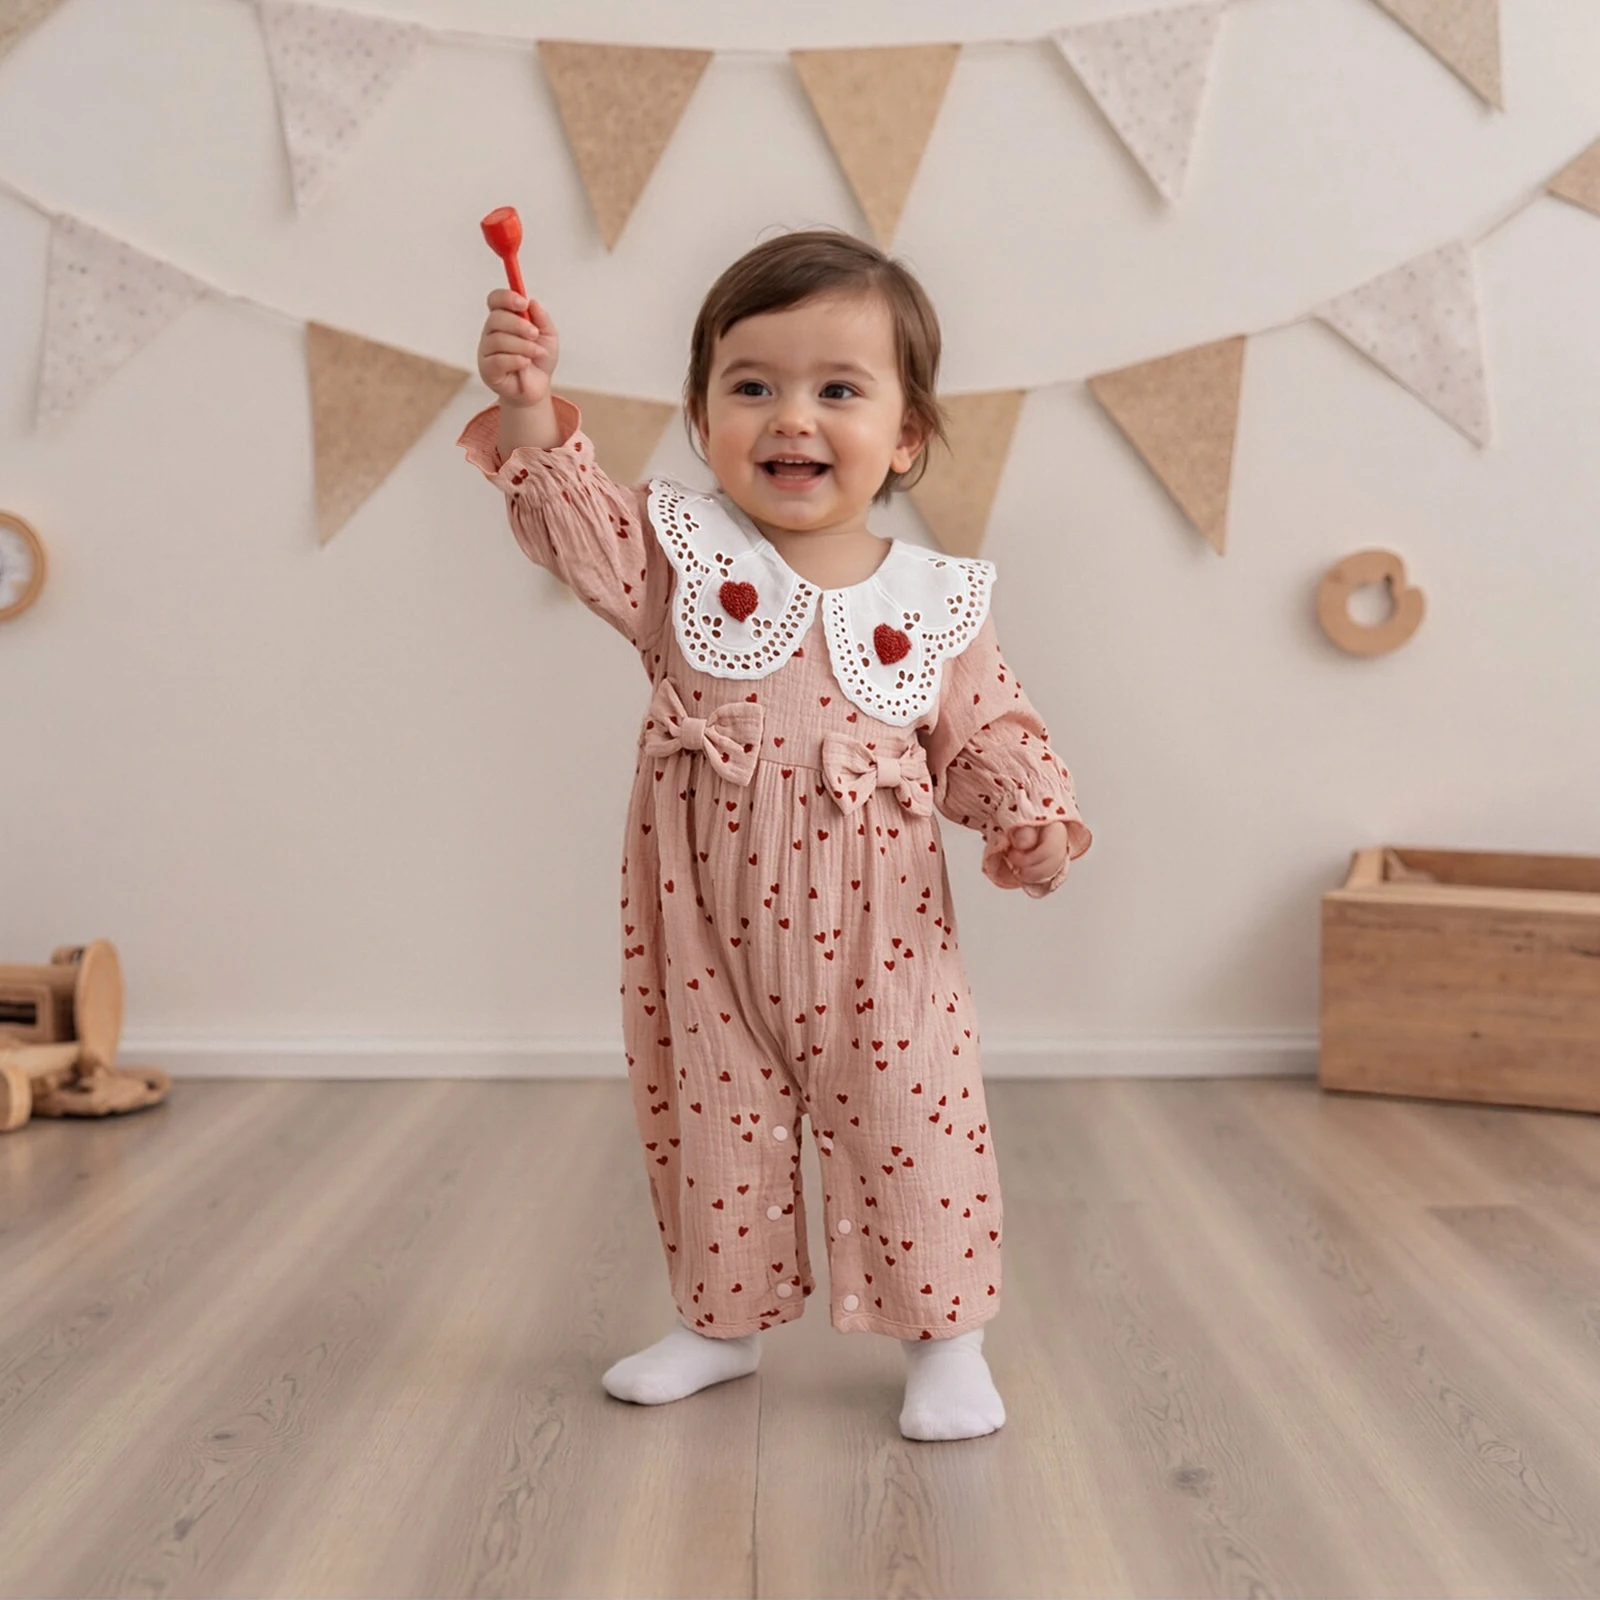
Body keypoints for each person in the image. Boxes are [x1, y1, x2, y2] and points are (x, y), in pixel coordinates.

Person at [462, 228, 1091, 1441]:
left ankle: (944, 1342)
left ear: (905, 435)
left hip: (884, 932)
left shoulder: (934, 597)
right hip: (702, 915)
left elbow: (983, 724)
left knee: (914, 1116)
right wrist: (531, 409)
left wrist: (1030, 816)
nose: (790, 416)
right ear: (703, 418)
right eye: (751, 386)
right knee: (709, 1111)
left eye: (837, 389)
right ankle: (718, 1322)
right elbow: (571, 525)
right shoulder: (680, 558)